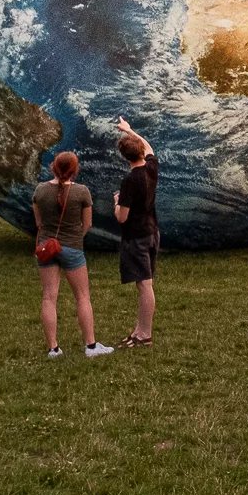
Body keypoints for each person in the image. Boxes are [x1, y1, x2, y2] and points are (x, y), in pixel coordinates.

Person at [33, 152, 112, 358]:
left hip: (46, 248)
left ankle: (53, 348)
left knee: (49, 298)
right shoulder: (82, 192)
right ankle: (91, 346)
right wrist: (77, 237)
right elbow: (87, 224)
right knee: (83, 297)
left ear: (53, 167)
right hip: (73, 248)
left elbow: (39, 223)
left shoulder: (40, 190)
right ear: (74, 170)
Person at [112, 117, 158, 349]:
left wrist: (116, 203)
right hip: (152, 232)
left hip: (137, 236)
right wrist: (129, 130)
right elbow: (148, 147)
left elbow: (122, 217)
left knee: (144, 285)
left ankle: (145, 335)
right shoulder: (151, 169)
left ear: (125, 157)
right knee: (144, 284)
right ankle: (140, 330)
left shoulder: (130, 180)